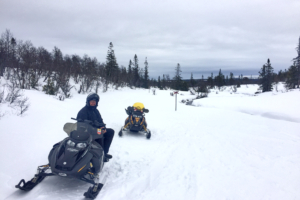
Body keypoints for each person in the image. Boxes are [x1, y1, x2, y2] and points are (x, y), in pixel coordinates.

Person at [77, 93, 114, 162]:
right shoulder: (83, 112)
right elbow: (81, 126)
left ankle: (104, 153)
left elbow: (100, 121)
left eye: (95, 102)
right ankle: (99, 156)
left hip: (96, 130)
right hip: (87, 132)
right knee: (100, 134)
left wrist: (103, 127)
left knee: (110, 131)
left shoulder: (95, 111)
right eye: (92, 102)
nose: (93, 103)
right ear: (88, 102)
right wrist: (97, 130)